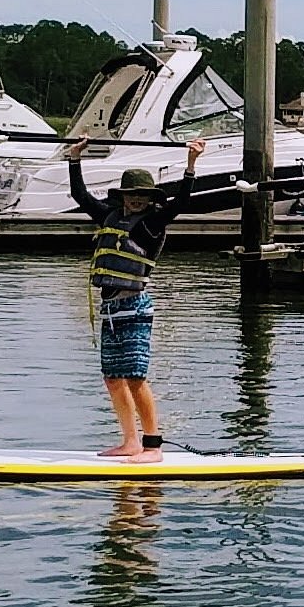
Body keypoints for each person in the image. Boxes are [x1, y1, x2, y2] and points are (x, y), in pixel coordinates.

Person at [63, 138, 204, 462]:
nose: (138, 200)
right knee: (113, 379)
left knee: (136, 378)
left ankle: (152, 446)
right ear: (124, 197)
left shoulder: (151, 224)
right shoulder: (110, 217)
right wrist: (74, 159)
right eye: (133, 195)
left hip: (135, 308)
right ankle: (129, 442)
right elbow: (80, 196)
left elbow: (179, 204)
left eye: (143, 196)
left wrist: (191, 165)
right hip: (110, 310)